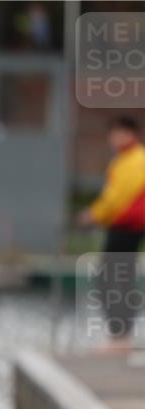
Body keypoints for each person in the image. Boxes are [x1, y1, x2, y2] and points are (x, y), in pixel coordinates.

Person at [79, 116, 145, 352]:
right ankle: (121, 335)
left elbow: (117, 198)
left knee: (111, 279)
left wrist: (93, 214)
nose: (114, 138)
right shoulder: (124, 160)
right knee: (119, 279)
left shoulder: (135, 160)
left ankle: (121, 337)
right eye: (113, 134)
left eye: (119, 133)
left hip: (127, 226)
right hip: (125, 226)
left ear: (131, 133)